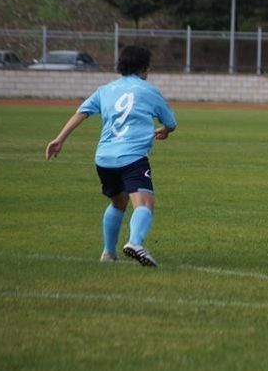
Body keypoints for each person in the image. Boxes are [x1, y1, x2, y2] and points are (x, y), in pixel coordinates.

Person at [45, 45, 177, 267]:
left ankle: (108, 253)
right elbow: (171, 122)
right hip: (132, 156)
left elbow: (82, 112)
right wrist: (165, 130)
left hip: (104, 158)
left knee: (118, 201)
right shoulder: (148, 90)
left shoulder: (105, 90)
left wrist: (60, 139)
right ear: (145, 68)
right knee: (144, 203)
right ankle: (135, 242)